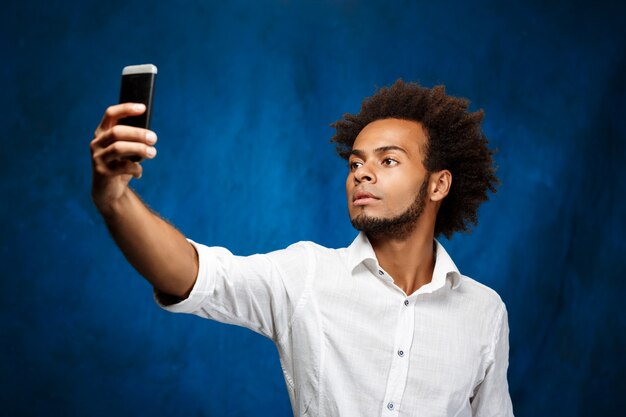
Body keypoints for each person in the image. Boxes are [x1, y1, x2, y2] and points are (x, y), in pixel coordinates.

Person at [91, 80, 514, 417]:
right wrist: (114, 198)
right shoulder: (308, 275)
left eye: (388, 161)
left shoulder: (485, 311)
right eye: (355, 163)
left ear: (438, 184)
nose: (362, 174)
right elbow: (191, 273)